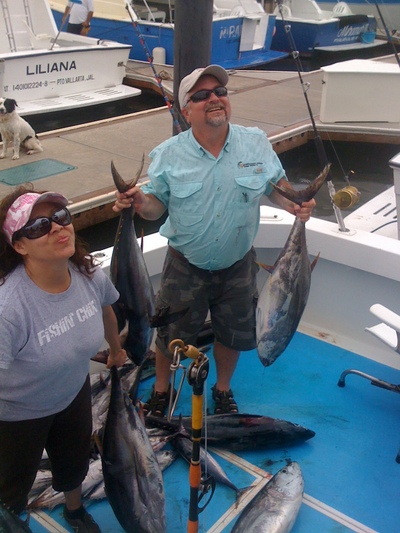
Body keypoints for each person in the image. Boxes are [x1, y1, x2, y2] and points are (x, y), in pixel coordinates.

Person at [113, 64, 316, 417]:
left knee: (232, 334)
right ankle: (161, 389)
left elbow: (276, 187)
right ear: (186, 109)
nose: (214, 99)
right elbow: (156, 205)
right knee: (169, 335)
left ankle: (222, 389)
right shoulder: (168, 154)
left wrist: (296, 202)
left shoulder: (255, 142)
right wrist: (139, 202)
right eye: (202, 95)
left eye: (220, 92)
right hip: (185, 265)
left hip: (238, 264)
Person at [0, 185, 126, 533]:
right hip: (18, 414)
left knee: (74, 464)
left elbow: (106, 310)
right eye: (40, 226)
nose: (57, 227)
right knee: (11, 489)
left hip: (73, 392)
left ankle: (74, 511)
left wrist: (116, 349)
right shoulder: (9, 309)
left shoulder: (88, 274)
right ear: (20, 246)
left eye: (60, 216)